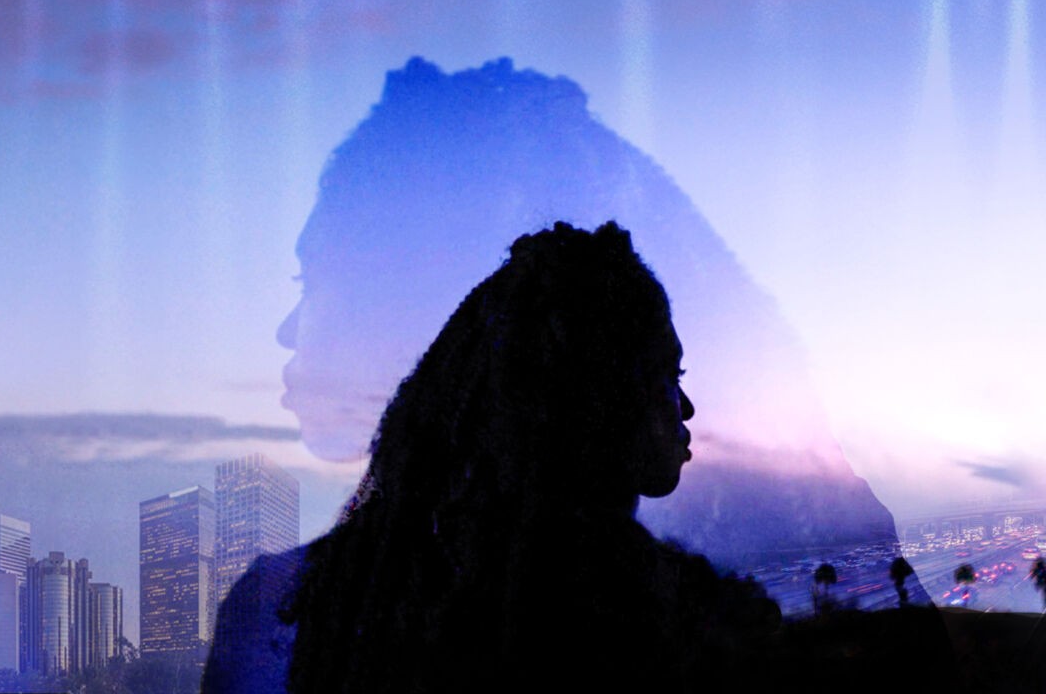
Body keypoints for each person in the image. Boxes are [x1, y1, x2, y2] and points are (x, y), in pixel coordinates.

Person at [202, 221, 780, 693]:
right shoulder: (677, 627)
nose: (687, 406)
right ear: (600, 392)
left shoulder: (286, 605)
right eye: (667, 373)